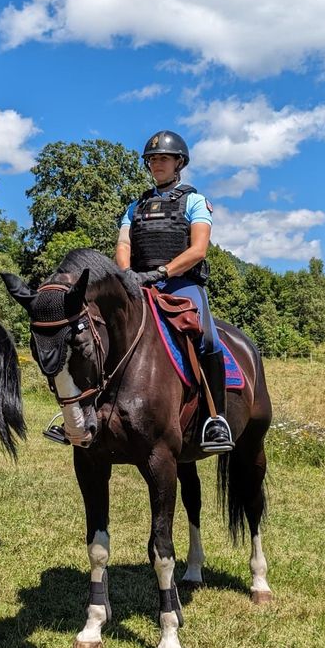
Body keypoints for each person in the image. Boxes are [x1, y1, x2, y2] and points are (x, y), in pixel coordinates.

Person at [115, 130, 234, 453]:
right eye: (152, 159)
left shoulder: (194, 201)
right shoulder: (134, 207)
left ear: (179, 162)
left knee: (207, 337)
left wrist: (162, 271)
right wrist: (126, 275)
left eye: (163, 158)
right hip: (139, 283)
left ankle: (216, 419)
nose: (157, 164)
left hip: (182, 283)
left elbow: (198, 250)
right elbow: (124, 244)